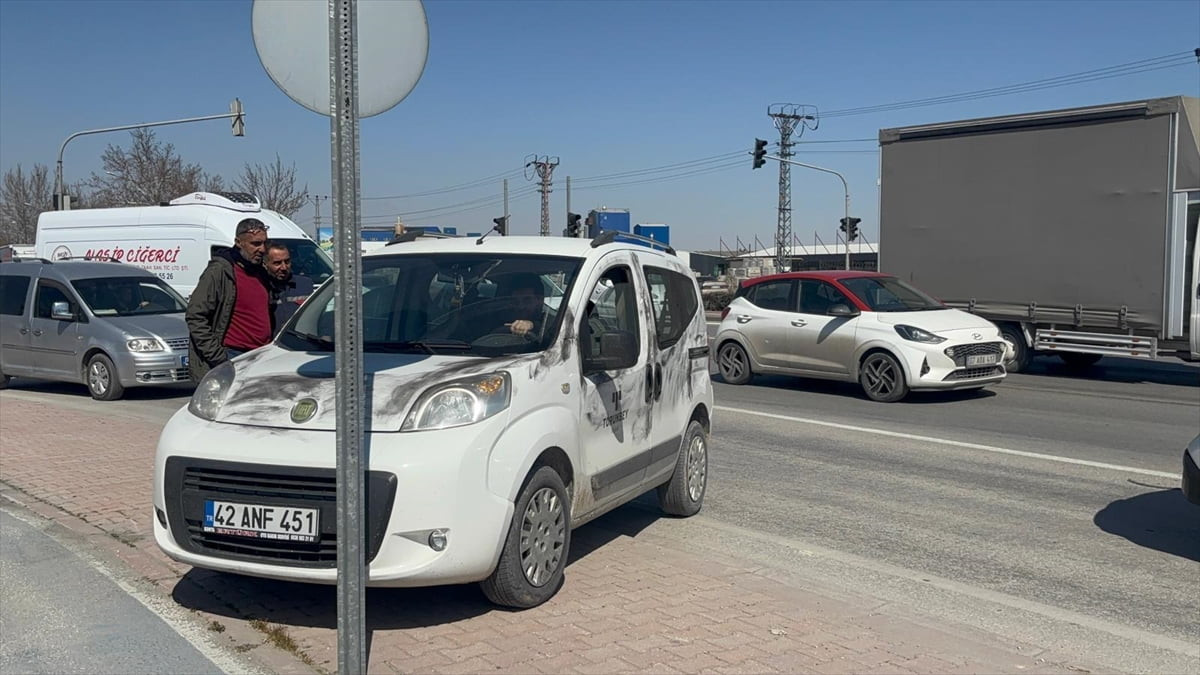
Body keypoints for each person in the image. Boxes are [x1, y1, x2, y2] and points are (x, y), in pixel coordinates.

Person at [185, 218, 273, 381]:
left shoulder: (261, 272)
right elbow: (195, 315)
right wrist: (218, 357)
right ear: (239, 242)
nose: (262, 249)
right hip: (233, 356)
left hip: (261, 355)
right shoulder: (220, 271)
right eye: (255, 244)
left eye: (264, 243)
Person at [263, 241, 314, 333]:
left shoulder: (305, 284)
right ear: (265, 264)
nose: (284, 267)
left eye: (287, 262)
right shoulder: (261, 288)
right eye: (277, 263)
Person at [502, 273, 545, 339]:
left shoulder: (555, 323)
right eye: (515, 301)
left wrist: (531, 325)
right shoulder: (502, 319)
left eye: (527, 300)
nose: (520, 306)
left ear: (539, 301)